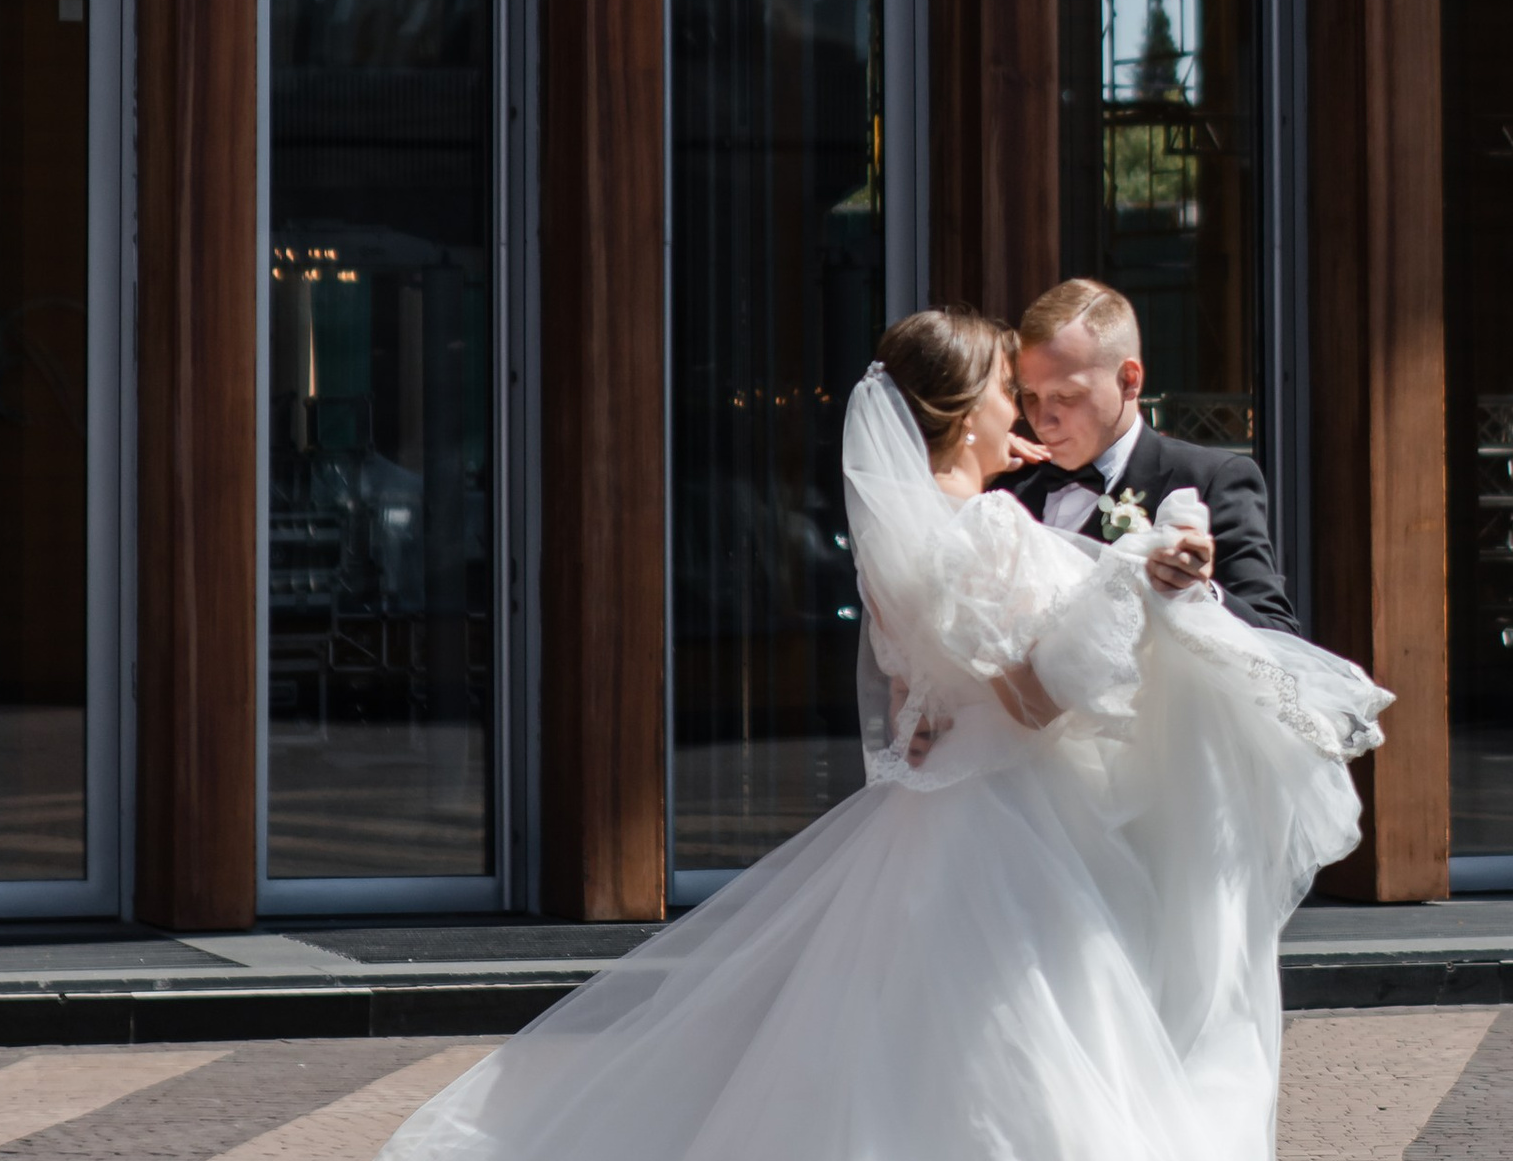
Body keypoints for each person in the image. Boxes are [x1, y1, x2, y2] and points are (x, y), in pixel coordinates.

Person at [377, 309, 1387, 1161]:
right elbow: (1034, 703)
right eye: (1007, 391)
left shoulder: (913, 538)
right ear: (961, 410)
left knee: (901, 1050)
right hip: (1013, 827)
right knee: (1033, 1048)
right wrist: (1128, 577)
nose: (1024, 414)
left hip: (930, 813)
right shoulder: (991, 527)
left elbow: (938, 695)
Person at [1000, 277, 1299, 634]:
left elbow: (1279, 635)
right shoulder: (1004, 484)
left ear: (1129, 380)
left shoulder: (1210, 479)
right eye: (1030, 396)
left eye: (1066, 396)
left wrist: (1201, 592)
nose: (1042, 421)